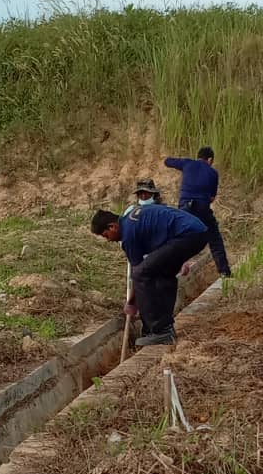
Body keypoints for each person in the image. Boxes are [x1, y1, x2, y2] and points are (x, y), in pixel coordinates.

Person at [91, 204, 208, 345]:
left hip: (186, 235)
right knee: (163, 275)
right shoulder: (132, 220)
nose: (108, 240)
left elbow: (137, 273)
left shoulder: (128, 234)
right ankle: (161, 327)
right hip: (198, 232)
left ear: (112, 227)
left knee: (142, 273)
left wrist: (132, 302)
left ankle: (161, 330)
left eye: (106, 236)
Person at [163, 146, 232, 277]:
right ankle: (224, 272)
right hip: (202, 208)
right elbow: (212, 198)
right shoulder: (213, 173)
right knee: (215, 239)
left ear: (198, 156)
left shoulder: (188, 163)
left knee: (177, 239)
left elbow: (167, 161)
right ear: (210, 159)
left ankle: (172, 270)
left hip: (184, 208)